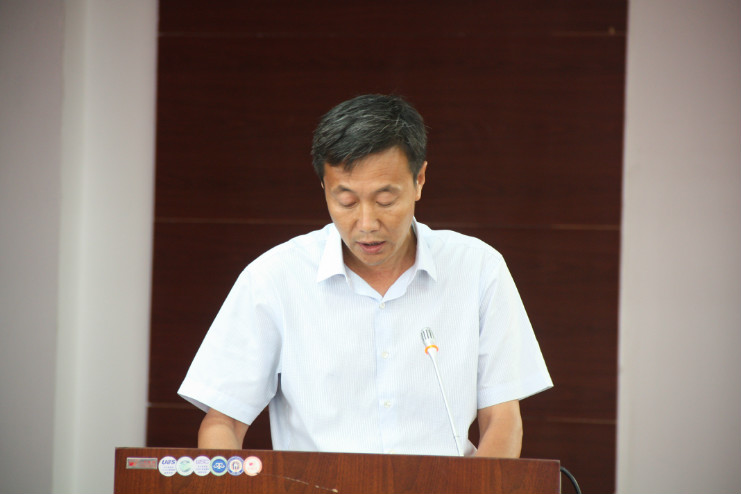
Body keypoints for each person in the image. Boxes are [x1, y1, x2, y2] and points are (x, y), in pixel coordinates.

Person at [178, 94, 552, 457]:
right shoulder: (274, 278)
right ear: (324, 187)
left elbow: (502, 419)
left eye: (385, 200)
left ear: (420, 180)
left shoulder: (478, 269)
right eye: (346, 201)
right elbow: (223, 422)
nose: (367, 223)